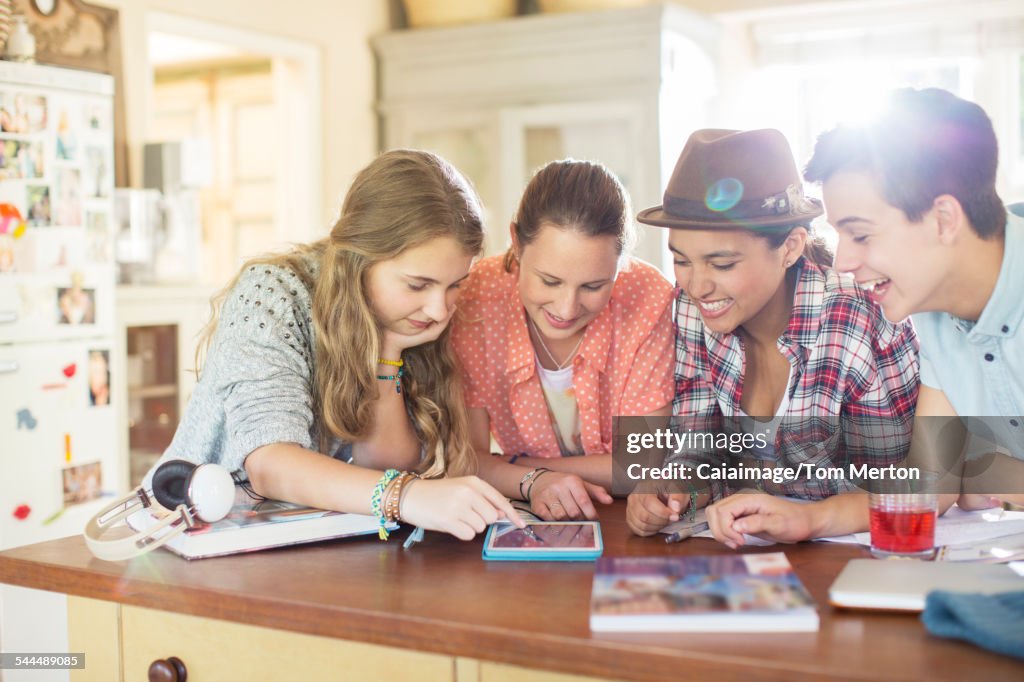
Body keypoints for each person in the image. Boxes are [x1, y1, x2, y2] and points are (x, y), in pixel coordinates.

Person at [147, 149, 522, 540]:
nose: (439, 309)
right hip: (189, 535)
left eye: (454, 285)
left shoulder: (409, 320)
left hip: (294, 545)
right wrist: (408, 495)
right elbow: (270, 464)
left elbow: (382, 463)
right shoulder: (272, 293)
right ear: (359, 258)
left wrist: (386, 353)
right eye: (418, 284)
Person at [628, 128, 920, 547]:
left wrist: (806, 517)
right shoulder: (690, 309)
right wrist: (674, 489)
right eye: (680, 260)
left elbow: (900, 490)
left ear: (790, 248)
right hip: (741, 559)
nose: (697, 285)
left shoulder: (858, 321)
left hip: (849, 561)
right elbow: (698, 448)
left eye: (722, 264)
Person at [804, 88, 1024, 510]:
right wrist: (811, 520)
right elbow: (932, 485)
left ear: (943, 220)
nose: (842, 261)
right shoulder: (936, 315)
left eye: (861, 234)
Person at [451, 159, 675, 521]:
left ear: (620, 264)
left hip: (626, 517)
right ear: (516, 243)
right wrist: (533, 480)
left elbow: (645, 462)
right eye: (549, 281)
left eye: (593, 286)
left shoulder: (647, 298)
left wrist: (517, 467)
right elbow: (467, 460)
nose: (566, 308)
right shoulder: (476, 297)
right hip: (530, 509)